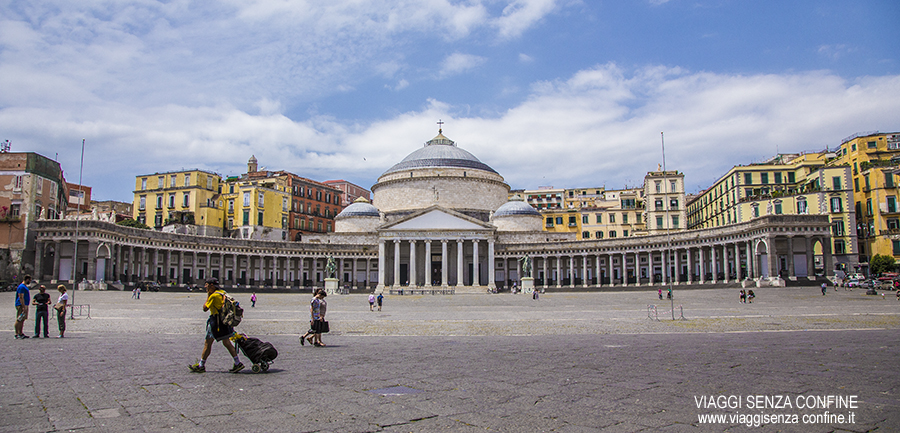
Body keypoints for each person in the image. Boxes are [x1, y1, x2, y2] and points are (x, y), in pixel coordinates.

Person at [189, 278, 244, 373]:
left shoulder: (214, 296)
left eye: (206, 285)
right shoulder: (222, 292)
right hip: (224, 321)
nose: (205, 287)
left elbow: (205, 308)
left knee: (208, 343)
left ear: (211, 285)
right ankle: (237, 362)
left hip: (216, 322)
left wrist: (208, 295)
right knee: (226, 342)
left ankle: (201, 365)